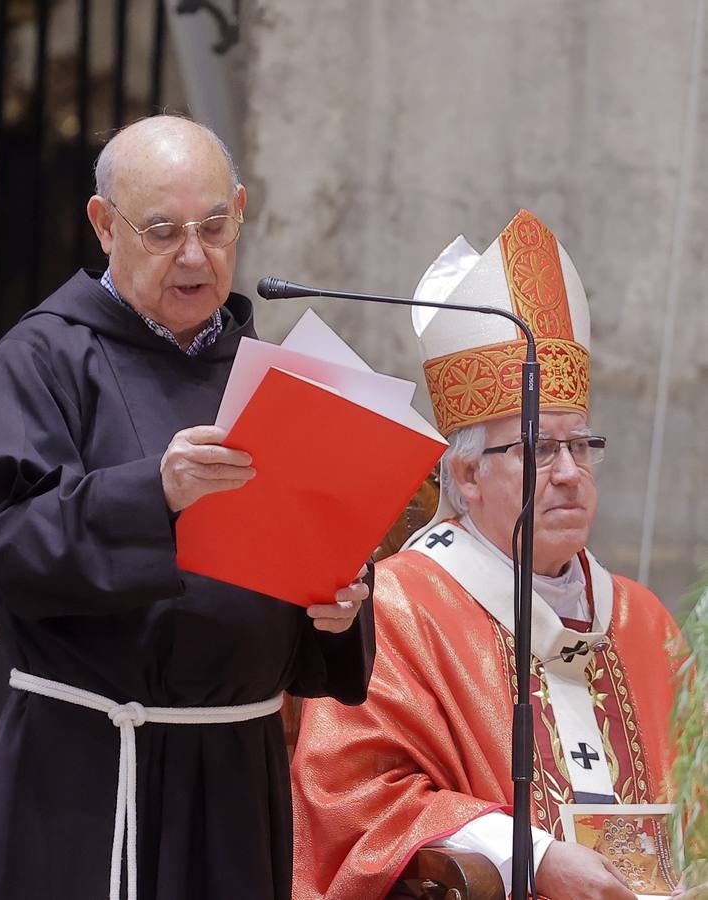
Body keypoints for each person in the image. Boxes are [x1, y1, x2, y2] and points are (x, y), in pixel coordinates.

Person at [0, 114, 374, 900]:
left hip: (235, 768)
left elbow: (317, 554)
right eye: (162, 231)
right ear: (103, 225)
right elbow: (4, 538)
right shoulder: (43, 357)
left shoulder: (280, 383)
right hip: (89, 766)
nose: (195, 254)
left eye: (214, 227)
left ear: (242, 211)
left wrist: (342, 600)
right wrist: (154, 492)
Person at [291, 210, 681, 900]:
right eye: (537, 448)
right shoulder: (396, 607)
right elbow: (352, 798)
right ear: (465, 477)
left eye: (579, 445)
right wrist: (526, 857)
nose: (567, 472)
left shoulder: (645, 622)